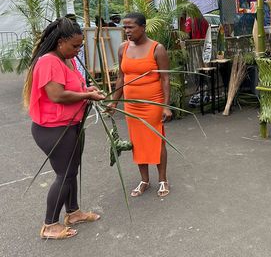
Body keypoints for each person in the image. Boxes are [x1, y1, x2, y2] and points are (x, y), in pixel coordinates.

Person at [23, 17, 104, 239]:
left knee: (71, 171)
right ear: (60, 42)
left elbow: (73, 87)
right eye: (74, 46)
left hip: (70, 124)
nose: (77, 50)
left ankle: (73, 212)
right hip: (53, 128)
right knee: (65, 174)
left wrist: (86, 89)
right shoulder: (48, 61)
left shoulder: (66, 59)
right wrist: (87, 95)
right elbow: (57, 95)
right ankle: (50, 225)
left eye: (80, 46)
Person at [108, 12, 172, 197]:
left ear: (143, 27)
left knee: (156, 140)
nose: (127, 31)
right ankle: (144, 180)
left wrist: (166, 106)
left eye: (131, 27)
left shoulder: (157, 49)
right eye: (125, 27)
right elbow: (121, 77)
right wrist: (114, 103)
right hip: (132, 105)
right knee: (137, 142)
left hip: (152, 103)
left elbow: (165, 78)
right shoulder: (122, 48)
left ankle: (162, 180)